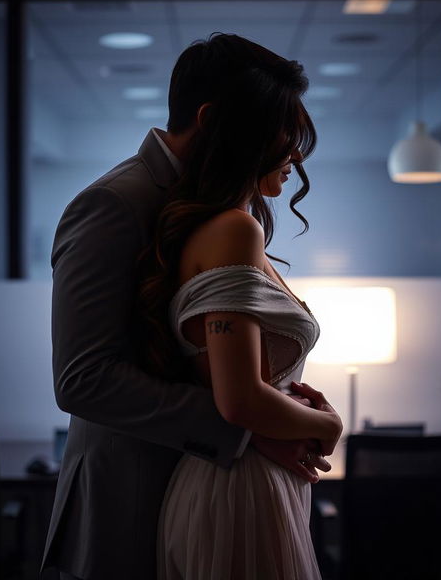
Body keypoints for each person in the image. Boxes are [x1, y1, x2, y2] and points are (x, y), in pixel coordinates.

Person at [41, 32, 342, 580]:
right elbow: (83, 380)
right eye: (279, 129)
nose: (293, 153)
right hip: (132, 498)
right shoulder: (114, 204)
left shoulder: (226, 206)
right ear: (212, 121)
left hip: (214, 487)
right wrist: (252, 429)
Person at [136, 34, 342, 579]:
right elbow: (240, 399)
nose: (295, 155)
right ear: (230, 131)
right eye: (284, 134)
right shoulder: (232, 230)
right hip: (241, 486)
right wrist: (328, 425)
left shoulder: (225, 228)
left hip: (246, 475)